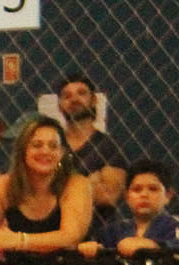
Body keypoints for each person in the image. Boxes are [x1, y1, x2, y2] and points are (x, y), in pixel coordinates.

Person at [0, 115, 92, 258]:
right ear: (23, 151)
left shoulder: (76, 184)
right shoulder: (5, 184)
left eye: (53, 146)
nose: (45, 151)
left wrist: (19, 240)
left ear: (62, 153)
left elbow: (70, 237)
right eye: (37, 145)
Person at [54, 74, 126, 234]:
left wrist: (56, 186)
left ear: (93, 100)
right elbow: (35, 191)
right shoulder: (52, 145)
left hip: (99, 234)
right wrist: (91, 182)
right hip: (55, 231)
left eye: (81, 93)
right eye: (67, 96)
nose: (74, 99)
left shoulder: (108, 147)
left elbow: (108, 196)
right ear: (59, 106)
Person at [79, 159, 179, 257]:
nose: (144, 195)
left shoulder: (178, 225)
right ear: (127, 197)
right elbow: (98, 247)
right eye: (137, 189)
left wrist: (151, 246)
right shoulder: (113, 231)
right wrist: (93, 249)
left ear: (168, 195)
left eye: (153, 189)